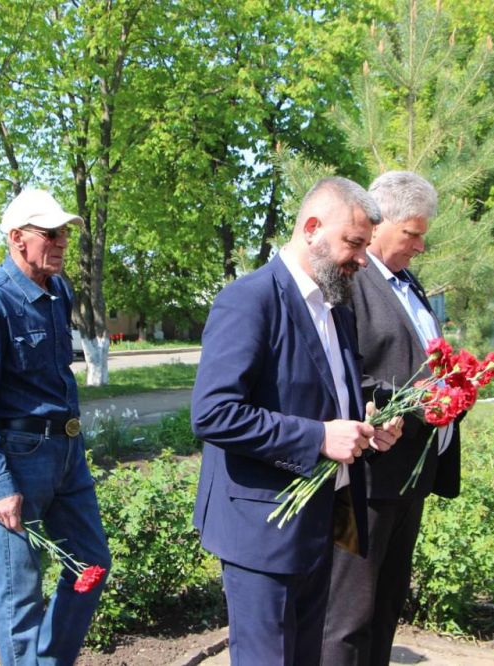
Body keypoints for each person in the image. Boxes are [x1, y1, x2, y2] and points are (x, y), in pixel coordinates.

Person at [191, 176, 403, 665]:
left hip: (322, 522)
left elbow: (330, 397)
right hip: (263, 526)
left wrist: (368, 424)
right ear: (311, 228)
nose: (362, 259)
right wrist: (319, 438)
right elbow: (213, 413)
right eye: (353, 243)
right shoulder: (251, 299)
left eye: (366, 246)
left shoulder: (338, 308)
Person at [0, 188, 111, 666]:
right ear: (17, 238)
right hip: (20, 454)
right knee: (19, 589)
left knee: (91, 563)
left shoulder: (58, 290)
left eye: (64, 232)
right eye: (51, 233)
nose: (62, 241)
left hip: (67, 450)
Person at [321, 171, 462, 666]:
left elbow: (418, 358)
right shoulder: (350, 282)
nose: (422, 245)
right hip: (365, 476)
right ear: (379, 224)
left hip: (409, 477)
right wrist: (397, 398)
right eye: (413, 233)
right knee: (347, 614)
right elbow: (331, 371)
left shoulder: (408, 282)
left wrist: (455, 386)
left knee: (385, 607)